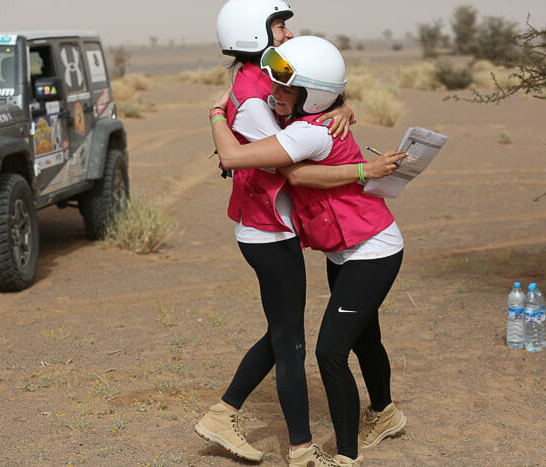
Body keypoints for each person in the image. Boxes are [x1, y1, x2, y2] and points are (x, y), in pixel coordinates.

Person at [195, 2, 397, 466]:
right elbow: (294, 166)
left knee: (285, 331)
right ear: (252, 34)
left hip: (274, 225)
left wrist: (339, 104)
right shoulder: (248, 98)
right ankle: (301, 449)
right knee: (292, 342)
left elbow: (305, 100)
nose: (287, 35)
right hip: (266, 228)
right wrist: (214, 114)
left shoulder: (265, 79)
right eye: (280, 26)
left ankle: (222, 415)